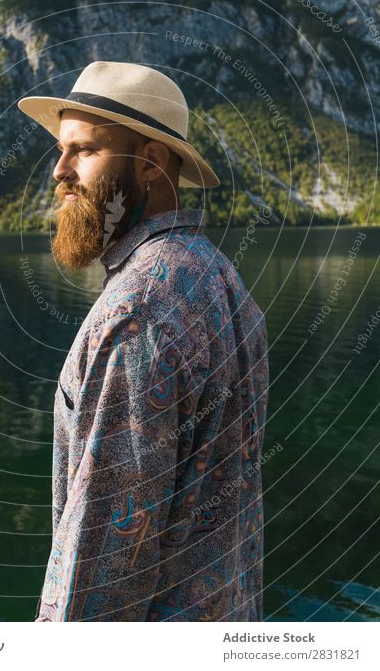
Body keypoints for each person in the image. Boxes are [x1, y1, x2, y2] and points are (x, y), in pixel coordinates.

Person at [17, 61, 270, 621]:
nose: (59, 171)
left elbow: (106, 559)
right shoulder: (219, 277)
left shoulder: (135, 314)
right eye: (61, 151)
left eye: (83, 150)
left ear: (152, 163)